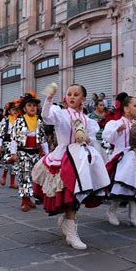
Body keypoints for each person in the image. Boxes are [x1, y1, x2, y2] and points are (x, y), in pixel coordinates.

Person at [32, 84, 110, 249]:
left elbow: (90, 137)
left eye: (76, 94)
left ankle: (68, 223)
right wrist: (49, 99)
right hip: (65, 156)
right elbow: (46, 116)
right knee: (70, 192)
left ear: (83, 99)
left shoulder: (87, 119)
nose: (72, 97)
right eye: (69, 94)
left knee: (78, 192)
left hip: (82, 156)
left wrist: (87, 139)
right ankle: (70, 228)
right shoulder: (60, 114)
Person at [103, 97, 136, 228]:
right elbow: (109, 139)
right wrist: (118, 131)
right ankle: (112, 211)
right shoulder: (116, 123)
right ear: (126, 109)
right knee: (121, 185)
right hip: (123, 159)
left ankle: (133, 216)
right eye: (135, 105)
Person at [10, 92, 49, 212]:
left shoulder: (39, 121)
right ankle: (24, 201)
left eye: (34, 106)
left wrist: (47, 155)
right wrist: (13, 153)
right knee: (24, 176)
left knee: (34, 177)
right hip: (23, 152)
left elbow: (43, 140)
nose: (32, 108)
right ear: (24, 108)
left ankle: (30, 198)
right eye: (29, 105)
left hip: (36, 153)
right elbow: (14, 138)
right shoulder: (19, 121)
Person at [0, 101, 20, 189]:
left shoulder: (20, 120)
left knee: (15, 161)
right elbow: (0, 135)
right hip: (7, 142)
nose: (15, 111)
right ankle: (5, 173)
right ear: (9, 111)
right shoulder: (5, 121)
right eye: (13, 110)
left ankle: (12, 182)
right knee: (9, 158)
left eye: (17, 110)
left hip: (17, 143)